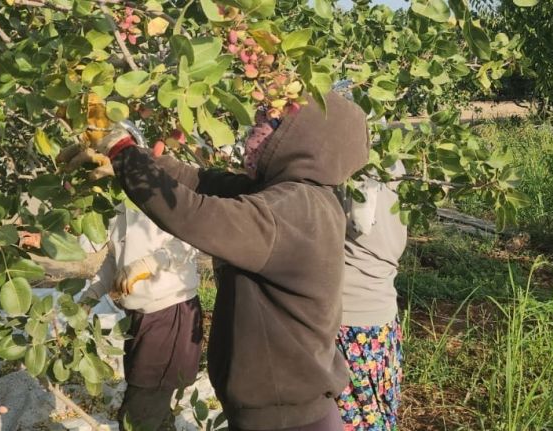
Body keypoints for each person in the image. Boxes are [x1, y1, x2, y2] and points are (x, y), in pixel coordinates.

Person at [58, 91, 370, 430]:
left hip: (286, 421)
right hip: (285, 411)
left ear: (305, 137)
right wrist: (133, 159)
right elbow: (200, 182)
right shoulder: (297, 196)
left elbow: (194, 214)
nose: (258, 129)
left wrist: (122, 152)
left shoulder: (293, 209)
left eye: (274, 122)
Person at [80, 203, 202, 431]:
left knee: (138, 413)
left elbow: (189, 240)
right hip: (138, 316)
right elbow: (114, 260)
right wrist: (90, 296)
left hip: (169, 313)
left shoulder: (160, 189)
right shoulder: (117, 202)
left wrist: (150, 263)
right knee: (152, 401)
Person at [336, 161, 407, 431]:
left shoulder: (345, 163)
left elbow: (360, 222)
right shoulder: (394, 159)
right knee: (378, 415)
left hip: (348, 319)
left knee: (352, 419)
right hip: (383, 315)